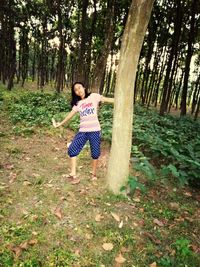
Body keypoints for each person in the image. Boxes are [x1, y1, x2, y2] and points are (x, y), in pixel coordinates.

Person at [52, 81, 114, 182]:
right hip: (83, 131)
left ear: (84, 87)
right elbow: (70, 115)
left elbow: (106, 99)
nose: (78, 90)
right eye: (76, 90)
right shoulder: (78, 104)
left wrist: (121, 99)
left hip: (94, 130)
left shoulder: (93, 96)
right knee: (72, 149)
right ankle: (73, 173)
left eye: (79, 87)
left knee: (95, 153)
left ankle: (93, 175)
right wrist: (60, 123)